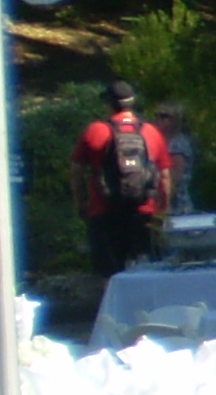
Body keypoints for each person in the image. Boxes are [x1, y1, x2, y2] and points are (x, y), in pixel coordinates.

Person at [71, 80, 171, 274]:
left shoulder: (96, 130)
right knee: (145, 270)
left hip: (104, 211)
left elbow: (76, 173)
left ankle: (113, 304)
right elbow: (164, 176)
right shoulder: (151, 132)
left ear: (109, 104)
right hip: (143, 212)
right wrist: (163, 210)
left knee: (109, 274)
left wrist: (81, 204)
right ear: (132, 103)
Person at [151, 99, 198, 213]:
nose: (158, 120)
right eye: (156, 115)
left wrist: (163, 206)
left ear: (176, 120)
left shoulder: (177, 145)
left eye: (164, 116)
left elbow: (175, 180)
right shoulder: (161, 141)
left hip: (176, 207)